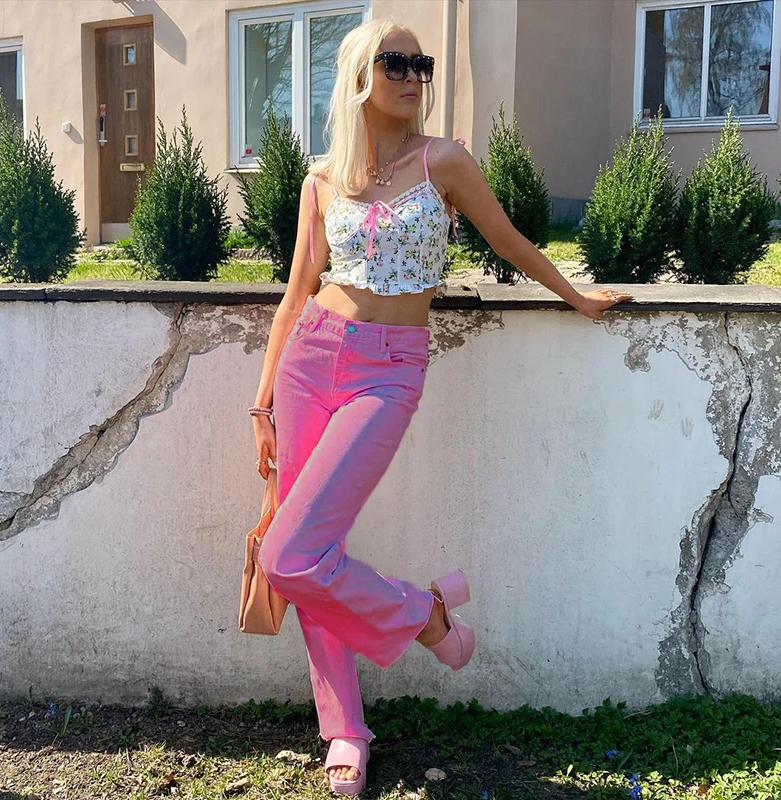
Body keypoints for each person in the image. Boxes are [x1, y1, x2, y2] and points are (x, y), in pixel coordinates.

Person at [248, 17, 632, 796]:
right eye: (395, 62)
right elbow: (295, 294)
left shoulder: (443, 161)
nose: (412, 75)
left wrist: (575, 295)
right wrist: (262, 405)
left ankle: (423, 620)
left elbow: (509, 241)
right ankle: (349, 724)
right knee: (309, 552)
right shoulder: (321, 180)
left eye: (419, 63)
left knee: (290, 555)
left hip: (389, 370)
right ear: (361, 74)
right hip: (310, 360)